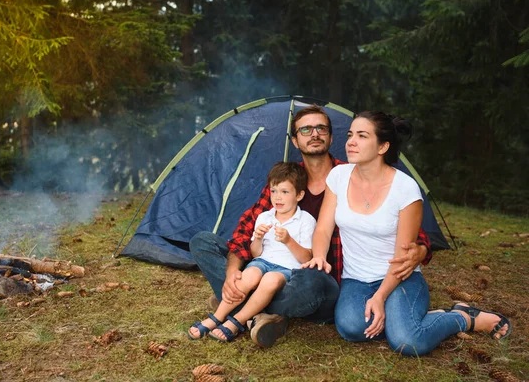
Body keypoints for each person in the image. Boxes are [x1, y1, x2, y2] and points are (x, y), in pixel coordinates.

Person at [190, 104, 432, 348]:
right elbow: (248, 227)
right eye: (305, 130)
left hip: (317, 281)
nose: (314, 134)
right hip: (269, 268)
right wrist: (233, 273)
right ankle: (255, 307)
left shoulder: (350, 174)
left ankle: (240, 304)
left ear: (330, 136)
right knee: (204, 242)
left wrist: (421, 249)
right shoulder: (287, 180)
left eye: (320, 128)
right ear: (295, 141)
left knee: (311, 280)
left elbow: (402, 231)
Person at [303, 111, 511, 356]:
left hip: (400, 276)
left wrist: (380, 297)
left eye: (362, 136)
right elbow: (324, 228)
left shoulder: (405, 188)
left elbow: (404, 257)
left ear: (383, 146)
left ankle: (463, 317)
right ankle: (403, 317)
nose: (351, 141)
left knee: (407, 341)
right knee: (350, 328)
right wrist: (318, 255)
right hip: (355, 279)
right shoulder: (338, 176)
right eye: (350, 135)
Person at [188, 162, 316, 343]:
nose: (278, 197)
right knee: (247, 276)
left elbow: (306, 257)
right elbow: (256, 254)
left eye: (285, 192)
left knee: (270, 279)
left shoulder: (306, 220)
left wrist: (288, 240)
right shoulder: (265, 217)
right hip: (263, 261)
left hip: (287, 269)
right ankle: (216, 317)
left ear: (300, 195)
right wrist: (257, 238)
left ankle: (236, 322)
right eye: (274, 191)